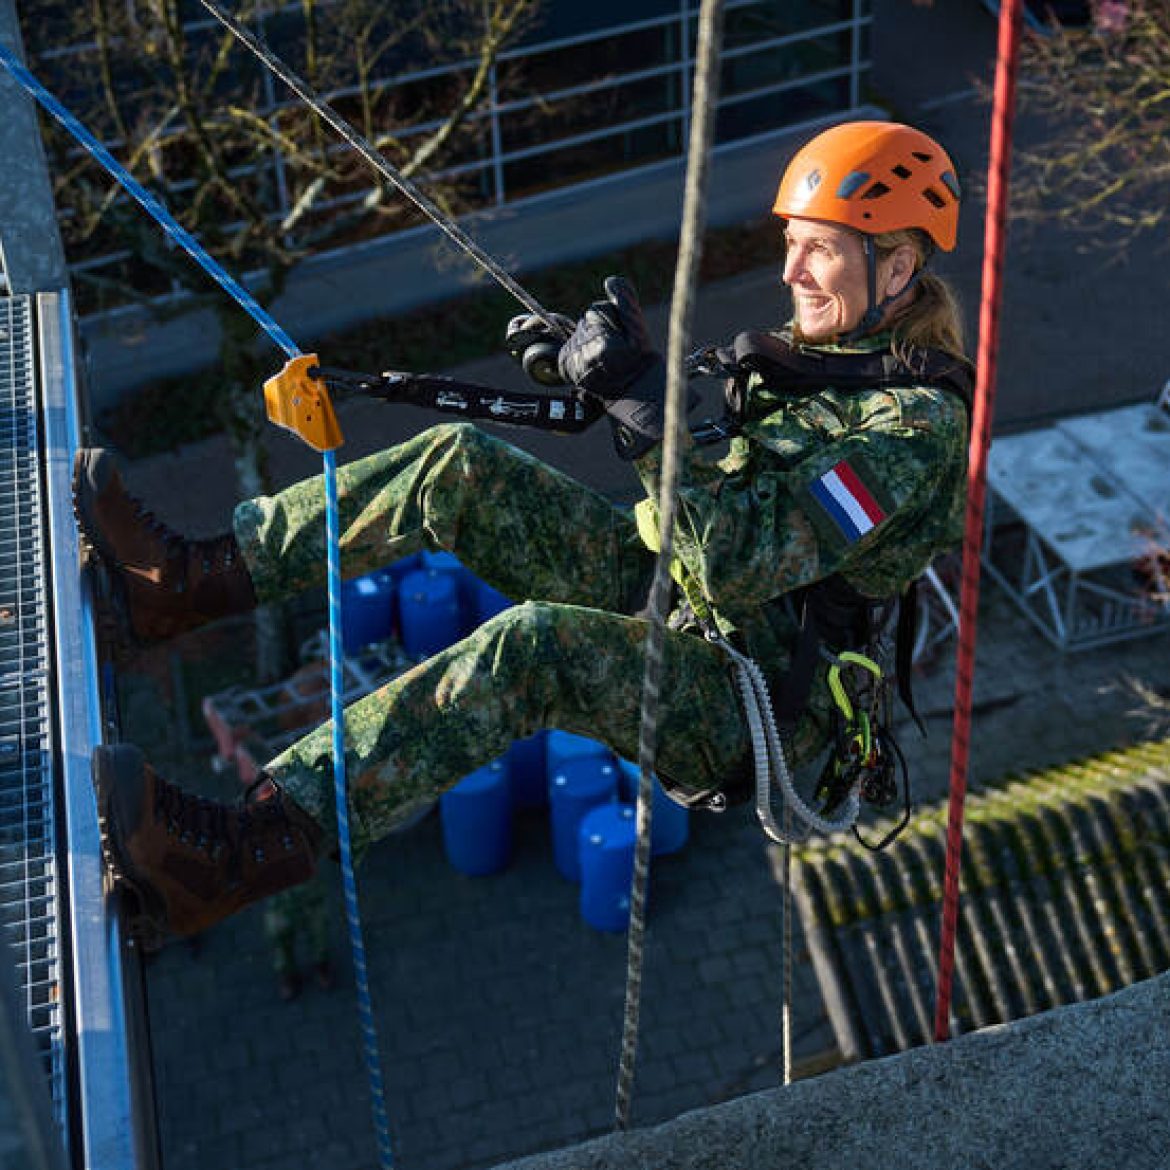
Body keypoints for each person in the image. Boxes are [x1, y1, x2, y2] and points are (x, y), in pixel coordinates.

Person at [76, 120, 971, 945]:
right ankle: (178, 584)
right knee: (453, 465)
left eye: (820, 250)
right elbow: (709, 481)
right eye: (791, 244)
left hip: (758, 693)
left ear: (896, 267)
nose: (791, 272)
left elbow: (740, 560)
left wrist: (641, 414)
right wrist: (601, 378)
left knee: (533, 649)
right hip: (680, 591)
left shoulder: (912, 433)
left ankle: (238, 854)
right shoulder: (823, 357)